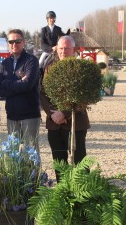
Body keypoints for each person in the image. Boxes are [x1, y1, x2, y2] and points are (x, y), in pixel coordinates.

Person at [40, 35, 90, 182]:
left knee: (79, 157)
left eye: (67, 48)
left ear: (73, 49)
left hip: (76, 122)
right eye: (61, 48)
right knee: (59, 159)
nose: (63, 51)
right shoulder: (49, 68)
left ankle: (83, 189)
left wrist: (65, 113)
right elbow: (43, 93)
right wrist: (52, 114)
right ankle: (63, 190)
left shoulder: (82, 69)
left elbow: (84, 97)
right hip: (54, 123)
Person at [0, 29, 41, 152]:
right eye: (11, 41)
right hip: (11, 115)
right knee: (15, 154)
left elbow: (27, 85)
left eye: (18, 41)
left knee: (31, 153)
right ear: (8, 44)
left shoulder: (31, 61)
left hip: (29, 115)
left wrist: (7, 83)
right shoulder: (4, 64)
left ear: (23, 42)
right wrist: (18, 84)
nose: (14, 44)